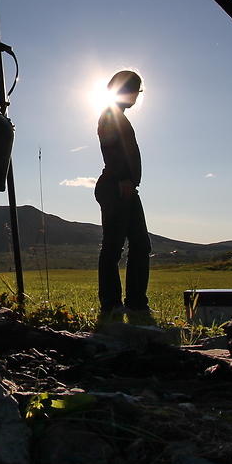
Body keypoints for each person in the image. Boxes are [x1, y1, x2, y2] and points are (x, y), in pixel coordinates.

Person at [95, 70, 151, 317]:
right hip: (116, 186)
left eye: (138, 91)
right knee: (114, 247)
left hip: (124, 186)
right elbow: (110, 148)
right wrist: (122, 179)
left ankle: (136, 303)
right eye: (134, 90)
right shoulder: (110, 114)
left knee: (140, 244)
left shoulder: (119, 116)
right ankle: (111, 305)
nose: (136, 97)